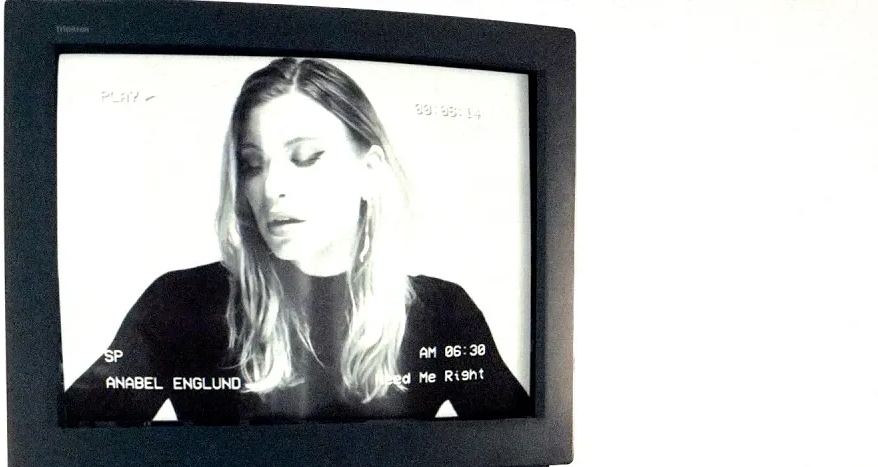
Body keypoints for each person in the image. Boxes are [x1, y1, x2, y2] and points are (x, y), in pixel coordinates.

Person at [64, 57, 529, 426]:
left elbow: (516, 454)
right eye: (252, 164)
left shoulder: (441, 311)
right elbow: (70, 442)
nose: (271, 188)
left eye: (306, 157)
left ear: (370, 171)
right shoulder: (180, 303)